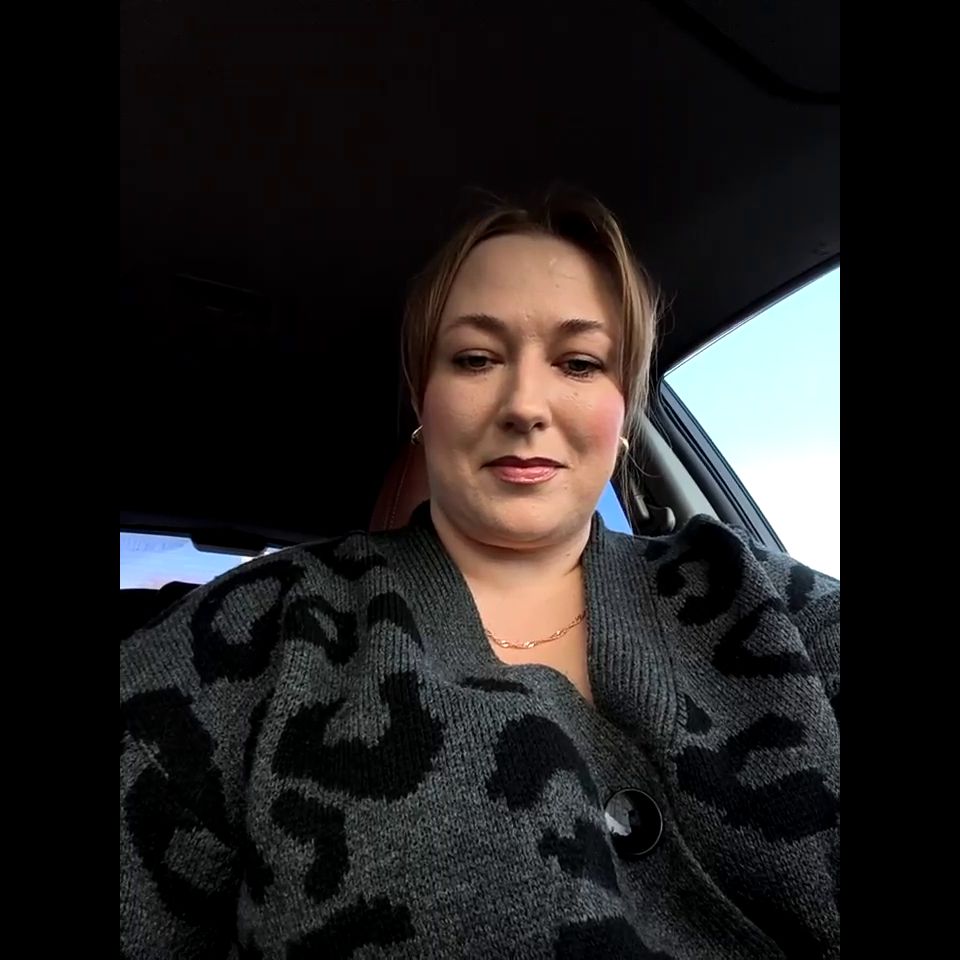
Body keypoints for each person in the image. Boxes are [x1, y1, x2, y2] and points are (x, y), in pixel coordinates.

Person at [120, 188, 840, 959]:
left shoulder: (762, 598)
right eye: (475, 358)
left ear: (624, 403)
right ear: (422, 395)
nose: (525, 405)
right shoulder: (247, 640)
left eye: (579, 362)